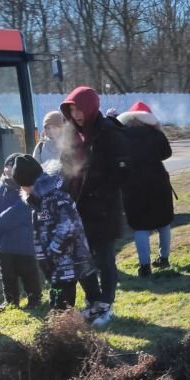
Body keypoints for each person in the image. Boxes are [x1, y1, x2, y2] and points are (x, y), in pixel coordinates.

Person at [59, 86, 129, 328]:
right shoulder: (70, 133)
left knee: (105, 260)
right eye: (71, 110)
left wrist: (100, 192)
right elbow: (64, 165)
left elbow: (122, 171)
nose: (76, 115)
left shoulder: (108, 132)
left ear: (90, 107)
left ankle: (105, 306)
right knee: (81, 260)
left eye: (79, 109)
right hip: (76, 210)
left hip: (103, 210)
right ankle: (93, 302)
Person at [11, 154, 105, 315]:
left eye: (21, 184)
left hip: (74, 255)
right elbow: (41, 230)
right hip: (57, 260)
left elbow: (69, 224)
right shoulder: (37, 201)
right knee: (59, 295)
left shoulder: (56, 196)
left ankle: (95, 314)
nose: (21, 189)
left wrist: (54, 249)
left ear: (27, 183)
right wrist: (43, 255)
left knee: (83, 289)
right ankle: (66, 320)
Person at [117, 102, 174, 278]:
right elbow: (167, 154)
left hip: (132, 186)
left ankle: (144, 266)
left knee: (140, 226)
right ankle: (163, 258)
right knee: (163, 222)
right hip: (158, 183)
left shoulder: (120, 137)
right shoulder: (155, 134)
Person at [0, 154, 43, 310]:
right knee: (7, 273)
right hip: (3, 241)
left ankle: (34, 299)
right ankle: (10, 300)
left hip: (23, 239)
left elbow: (18, 212)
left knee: (28, 271)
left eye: (12, 166)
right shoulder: (0, 186)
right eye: (7, 165)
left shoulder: (25, 188)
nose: (9, 169)